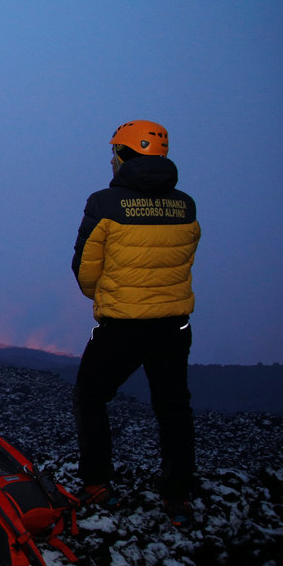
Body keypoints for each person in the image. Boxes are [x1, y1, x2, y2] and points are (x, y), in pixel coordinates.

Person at [71, 119, 201, 529]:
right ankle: (177, 493)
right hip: (174, 325)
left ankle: (96, 485)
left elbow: (85, 271)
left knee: (90, 397)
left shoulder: (104, 204)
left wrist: (111, 296)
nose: (111, 159)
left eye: (114, 151)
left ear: (125, 155)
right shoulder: (185, 205)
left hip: (122, 325)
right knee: (173, 406)